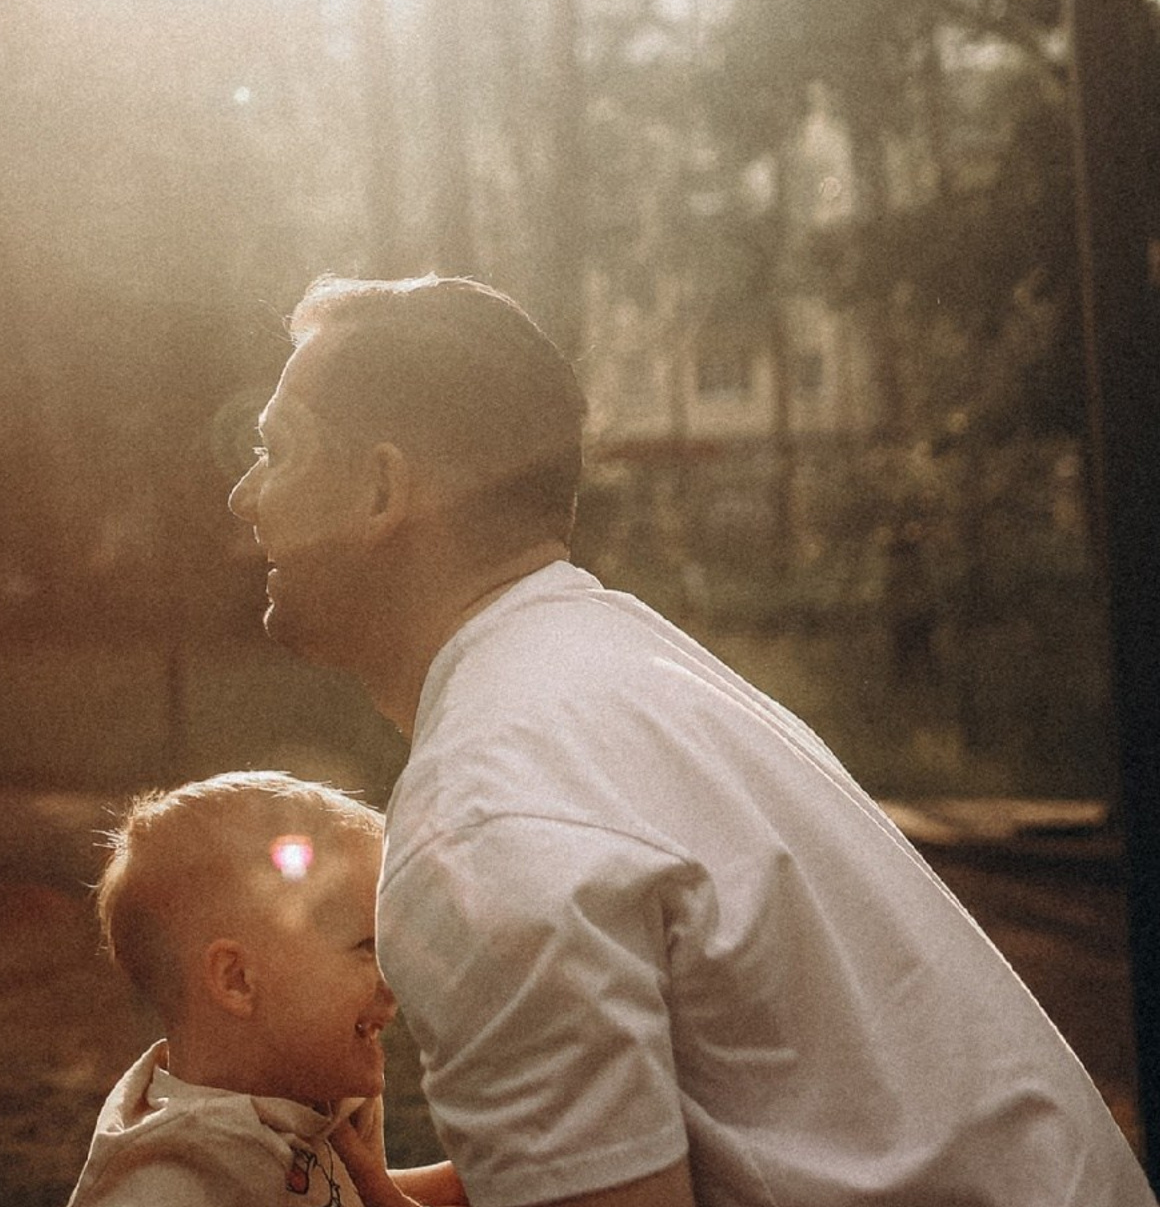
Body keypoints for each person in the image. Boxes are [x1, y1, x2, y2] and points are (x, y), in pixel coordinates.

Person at [228, 273, 1157, 1207]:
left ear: (385, 489)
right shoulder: (611, 670)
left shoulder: (483, 813)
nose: (243, 495)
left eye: (277, 451)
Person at [68, 769, 467, 1207]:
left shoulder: (303, 1091)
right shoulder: (170, 1185)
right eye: (366, 946)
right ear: (237, 980)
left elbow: (333, 1192)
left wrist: (444, 1182)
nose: (395, 971)